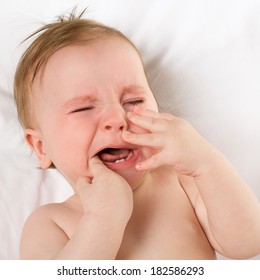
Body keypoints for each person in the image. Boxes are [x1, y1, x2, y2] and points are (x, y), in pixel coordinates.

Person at [14, 9, 260, 260]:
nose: (116, 119)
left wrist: (206, 163)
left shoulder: (181, 183)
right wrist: (103, 219)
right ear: (41, 148)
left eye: (133, 101)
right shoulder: (50, 223)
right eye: (84, 108)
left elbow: (248, 243)